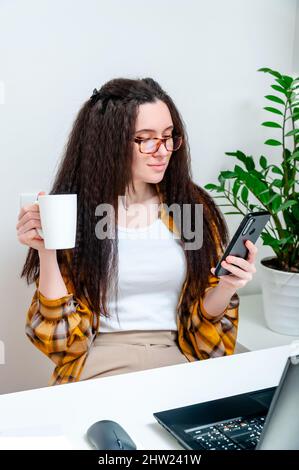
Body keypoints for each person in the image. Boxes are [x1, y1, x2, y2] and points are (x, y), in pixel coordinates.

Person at [16, 77, 257, 386]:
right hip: (99, 361)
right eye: (146, 139)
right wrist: (45, 250)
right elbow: (63, 345)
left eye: (169, 137)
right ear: (110, 143)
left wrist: (227, 287)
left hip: (177, 358)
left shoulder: (190, 208)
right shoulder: (72, 214)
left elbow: (204, 334)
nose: (163, 151)